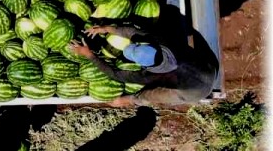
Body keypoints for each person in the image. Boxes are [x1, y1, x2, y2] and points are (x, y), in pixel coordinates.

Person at [68, 23, 219, 107]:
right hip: (207, 67)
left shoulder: (151, 77)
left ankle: (125, 101)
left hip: (193, 91)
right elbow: (133, 32)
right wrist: (107, 28)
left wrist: (89, 55)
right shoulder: (162, 42)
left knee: (150, 95)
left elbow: (114, 74)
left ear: (144, 67)